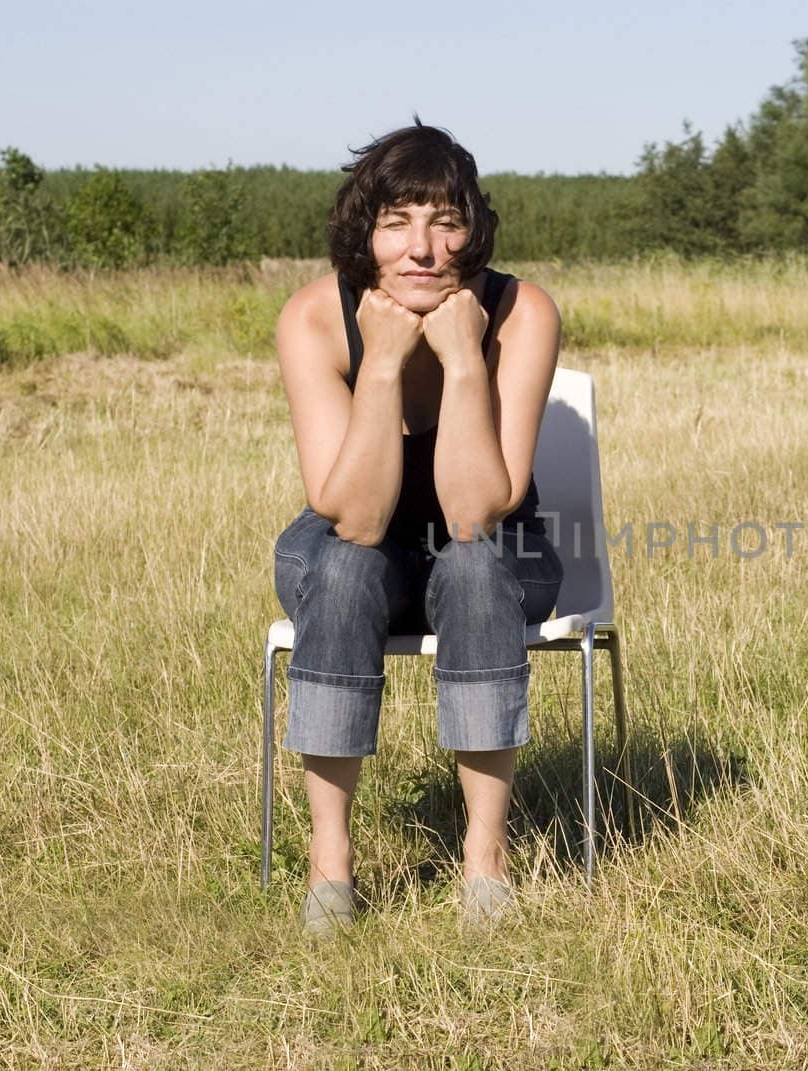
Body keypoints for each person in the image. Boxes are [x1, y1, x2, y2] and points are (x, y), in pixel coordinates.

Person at [270, 120, 564, 935]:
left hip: (496, 549)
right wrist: (385, 361)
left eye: (445, 220)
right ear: (365, 233)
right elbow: (357, 519)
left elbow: (475, 513)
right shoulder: (314, 318)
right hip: (353, 549)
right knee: (342, 569)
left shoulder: (520, 312)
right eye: (397, 221)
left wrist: (467, 358)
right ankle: (330, 868)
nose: (422, 247)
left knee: (471, 566)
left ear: (474, 231)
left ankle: (485, 862)